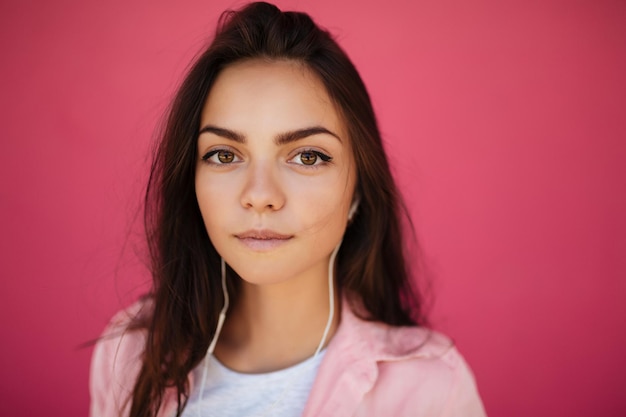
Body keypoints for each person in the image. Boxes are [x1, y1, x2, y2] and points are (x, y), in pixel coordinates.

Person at [89, 2, 487, 416]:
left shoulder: (429, 388)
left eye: (308, 157)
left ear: (358, 189)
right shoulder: (130, 355)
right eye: (224, 155)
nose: (260, 195)